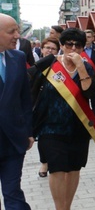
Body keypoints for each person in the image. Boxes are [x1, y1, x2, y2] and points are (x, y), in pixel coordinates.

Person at [32, 28, 95, 210]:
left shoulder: (87, 67)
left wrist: (81, 68)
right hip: (50, 126)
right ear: (61, 45)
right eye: (68, 44)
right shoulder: (49, 65)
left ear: (83, 47)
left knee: (73, 169)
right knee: (57, 168)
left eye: (77, 45)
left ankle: (68, 208)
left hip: (78, 126)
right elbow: (31, 90)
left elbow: (91, 93)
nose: (72, 48)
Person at [0, 13, 37, 210]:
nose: (18, 36)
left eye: (17, 31)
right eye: (12, 31)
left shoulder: (18, 58)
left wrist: (29, 131)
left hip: (13, 141)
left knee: (13, 192)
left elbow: (26, 99)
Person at [34, 37, 60, 179]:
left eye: (53, 48)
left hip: (55, 107)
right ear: (42, 49)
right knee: (42, 136)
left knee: (50, 136)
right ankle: (44, 162)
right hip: (39, 106)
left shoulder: (59, 66)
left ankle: (52, 161)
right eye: (47, 48)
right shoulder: (36, 65)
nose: (49, 50)